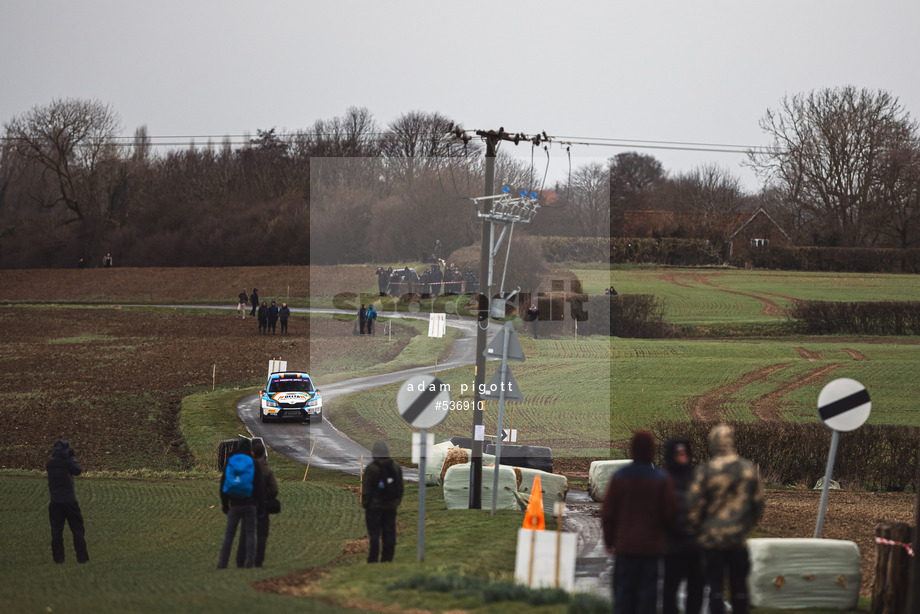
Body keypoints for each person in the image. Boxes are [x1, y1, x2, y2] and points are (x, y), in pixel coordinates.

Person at [687, 424, 765, 614]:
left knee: (715, 588)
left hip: (712, 540)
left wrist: (696, 531)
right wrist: (745, 526)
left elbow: (694, 507)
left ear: (713, 443)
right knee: (739, 587)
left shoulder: (705, 471)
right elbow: (758, 504)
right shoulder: (747, 469)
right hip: (738, 539)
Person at [601, 430, 677, 614]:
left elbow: (608, 513)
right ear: (652, 450)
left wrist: (610, 541)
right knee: (648, 598)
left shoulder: (620, 477)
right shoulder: (661, 479)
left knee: (624, 596)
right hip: (651, 549)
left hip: (625, 547)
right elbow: (671, 513)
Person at [663, 438, 704, 614]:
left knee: (696, 590)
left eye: (685, 453)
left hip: (695, 546)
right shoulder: (664, 479)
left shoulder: (696, 478)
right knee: (670, 590)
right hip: (672, 546)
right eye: (679, 454)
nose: (682, 457)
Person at [218, 437, 265, 569]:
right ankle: (249, 563)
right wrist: (260, 506)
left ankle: (222, 563)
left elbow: (223, 484)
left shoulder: (231, 461)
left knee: (229, 534)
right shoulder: (253, 462)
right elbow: (259, 486)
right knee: (250, 533)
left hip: (234, 503)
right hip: (249, 503)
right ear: (250, 448)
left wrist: (225, 504)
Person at [46, 439, 89, 564]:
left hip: (55, 502)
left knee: (56, 531)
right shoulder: (68, 463)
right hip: (70, 502)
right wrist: (72, 458)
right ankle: (82, 558)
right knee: (77, 530)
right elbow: (78, 471)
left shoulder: (49, 464)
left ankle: (58, 559)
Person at [236, 440, 277, 568]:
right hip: (262, 505)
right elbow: (274, 490)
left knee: (245, 532)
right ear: (264, 454)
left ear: (252, 454)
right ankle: (258, 561)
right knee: (262, 534)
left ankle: (240, 560)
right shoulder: (267, 471)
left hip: (248, 503)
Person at [361, 441, 404, 563]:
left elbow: (367, 488)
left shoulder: (371, 468)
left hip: (374, 507)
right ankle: (387, 557)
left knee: (374, 533)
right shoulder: (395, 467)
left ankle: (373, 558)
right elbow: (400, 487)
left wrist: (366, 503)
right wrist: (397, 501)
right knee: (389, 532)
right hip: (391, 505)